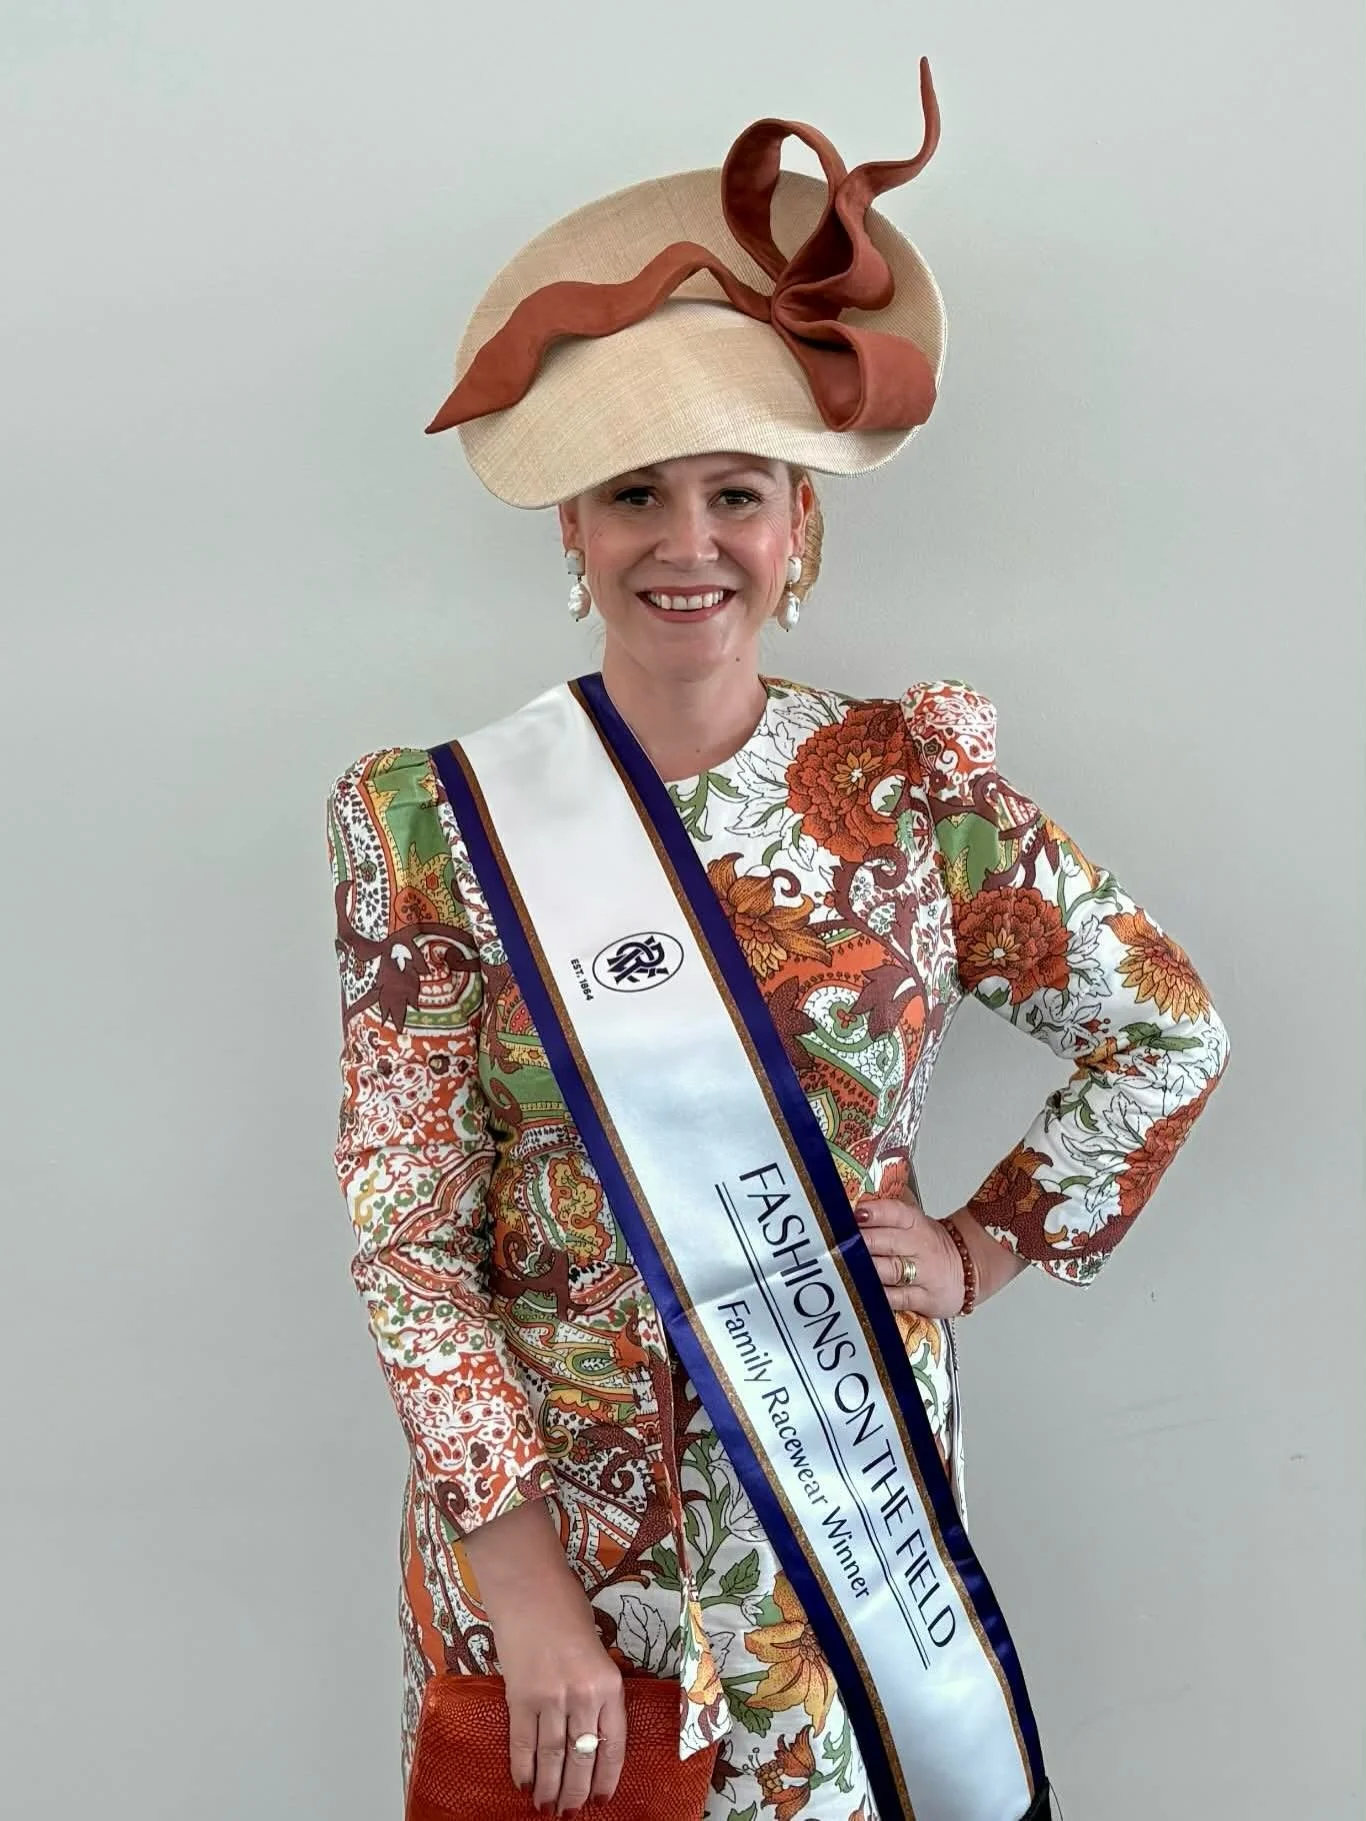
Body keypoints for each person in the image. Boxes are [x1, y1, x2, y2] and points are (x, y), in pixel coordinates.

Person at [326, 64, 1229, 1821]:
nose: (687, 545)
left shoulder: (909, 796)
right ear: (569, 534)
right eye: (633, 497)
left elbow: (1165, 1027)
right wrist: (525, 1594)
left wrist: (986, 1244)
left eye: (733, 493)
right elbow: (406, 1233)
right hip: (549, 1543)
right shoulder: (432, 824)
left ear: (799, 530)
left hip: (834, 1543)